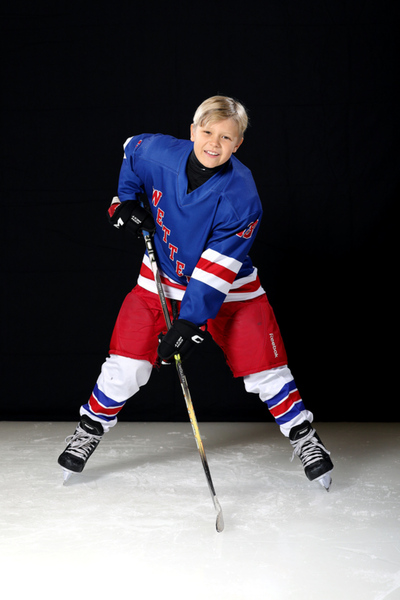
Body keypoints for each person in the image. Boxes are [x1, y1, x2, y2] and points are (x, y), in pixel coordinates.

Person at [58, 95, 333, 489]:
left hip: (230, 291)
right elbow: (130, 150)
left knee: (266, 371)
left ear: (238, 143)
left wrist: (189, 324)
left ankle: (305, 437)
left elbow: (214, 273)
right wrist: (125, 202)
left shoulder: (241, 197)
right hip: (160, 279)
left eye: (226, 137)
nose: (214, 143)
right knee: (127, 367)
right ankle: (89, 429)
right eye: (207, 132)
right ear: (192, 131)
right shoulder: (156, 152)